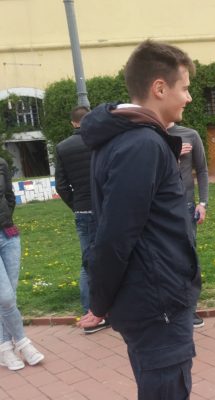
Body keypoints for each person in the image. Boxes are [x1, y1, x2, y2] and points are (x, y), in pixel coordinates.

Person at [77, 40, 200, 399]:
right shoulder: (141, 144)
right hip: (157, 304)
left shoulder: (132, 139)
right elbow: (116, 235)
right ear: (159, 88)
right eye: (184, 88)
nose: (189, 97)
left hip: (153, 297)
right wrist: (99, 302)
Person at [55, 105, 111, 335]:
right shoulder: (102, 140)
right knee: (117, 256)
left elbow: (61, 186)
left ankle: (90, 314)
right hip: (107, 208)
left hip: (83, 210)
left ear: (73, 123)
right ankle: (115, 309)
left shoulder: (62, 147)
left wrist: (77, 205)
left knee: (87, 263)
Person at [0, 157, 45, 371]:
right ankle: (23, 343)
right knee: (5, 298)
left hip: (8, 234)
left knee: (9, 296)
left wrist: (5, 219)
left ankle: (5, 348)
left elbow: (9, 197)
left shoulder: (1, 164)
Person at [168, 123, 208, 328]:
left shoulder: (190, 134)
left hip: (186, 205)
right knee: (163, 256)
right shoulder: (148, 133)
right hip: (158, 206)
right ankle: (168, 308)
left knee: (188, 256)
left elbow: (201, 170)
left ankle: (189, 308)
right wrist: (171, 155)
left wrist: (203, 203)